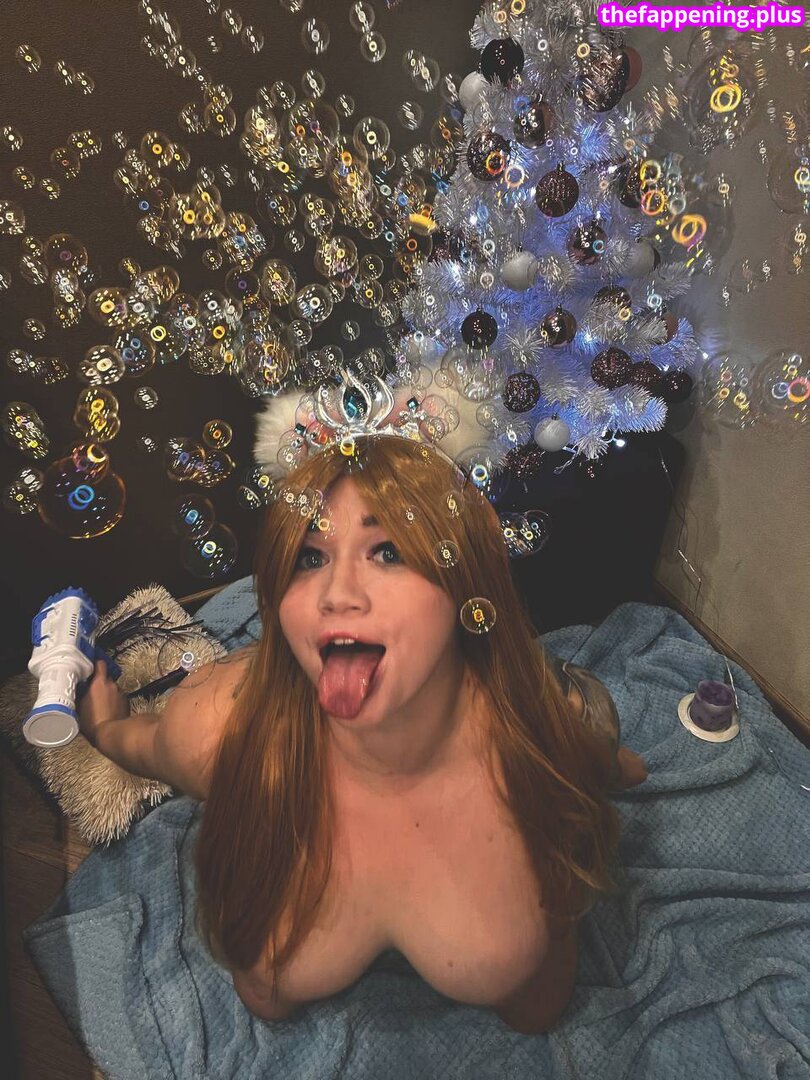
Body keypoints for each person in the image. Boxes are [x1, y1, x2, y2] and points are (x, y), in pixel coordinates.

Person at [78, 434, 647, 1036]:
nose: (337, 594)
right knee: (268, 992)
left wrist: (607, 767)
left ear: (464, 582)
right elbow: (140, 744)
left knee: (534, 1008)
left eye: (389, 551)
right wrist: (107, 727)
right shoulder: (218, 730)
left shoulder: (545, 732)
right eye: (310, 558)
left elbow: (600, 763)